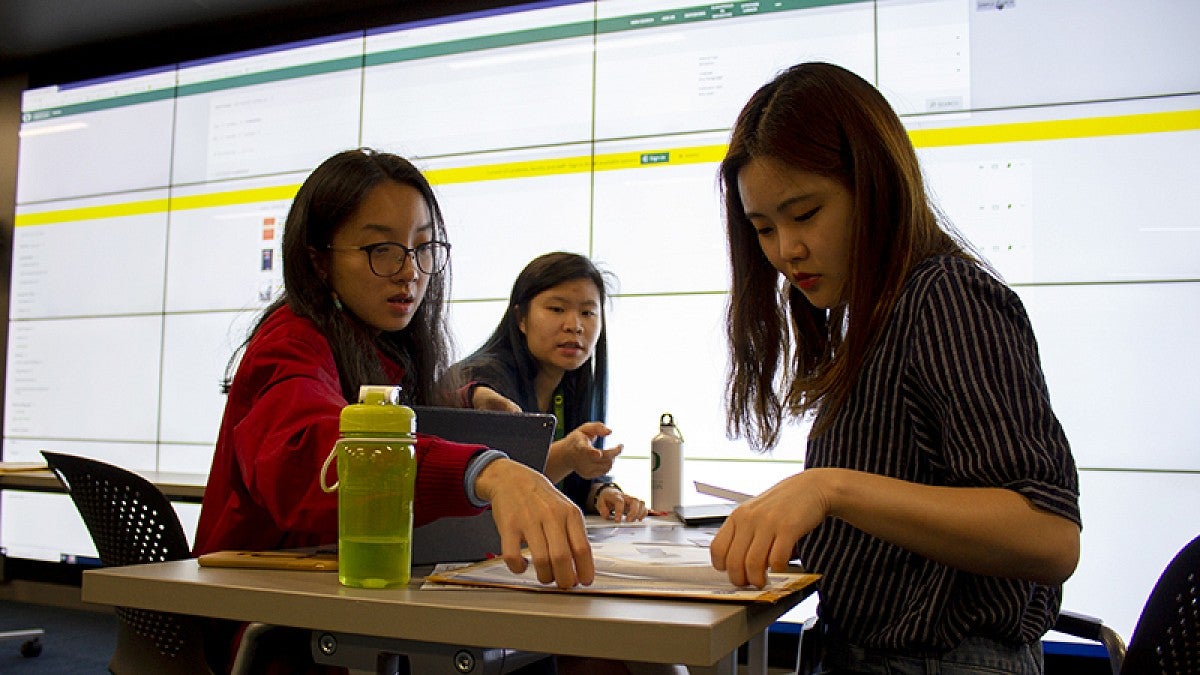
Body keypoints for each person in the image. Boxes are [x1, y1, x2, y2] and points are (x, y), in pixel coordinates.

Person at [708, 63, 1081, 674]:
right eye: (764, 229)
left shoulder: (946, 297)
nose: (784, 251)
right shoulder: (872, 315)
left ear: (875, 184)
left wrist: (829, 489)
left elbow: (1048, 536)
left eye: (805, 214)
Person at [194, 149, 592, 673]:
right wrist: (486, 470)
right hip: (274, 635)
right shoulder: (289, 343)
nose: (409, 271)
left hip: (345, 616)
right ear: (319, 258)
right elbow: (313, 461)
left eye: (423, 248)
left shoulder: (383, 348)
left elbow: (373, 405)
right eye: (382, 249)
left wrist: (462, 401)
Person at [451, 252, 647, 523]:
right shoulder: (483, 381)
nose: (574, 326)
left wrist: (601, 491)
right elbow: (497, 485)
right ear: (521, 318)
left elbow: (567, 485)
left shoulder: (571, 382)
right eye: (556, 309)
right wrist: (567, 456)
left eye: (588, 312)